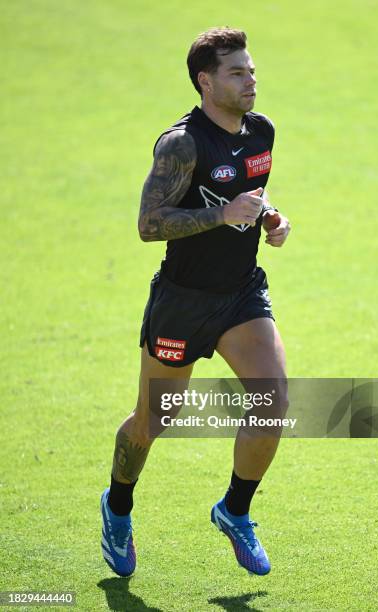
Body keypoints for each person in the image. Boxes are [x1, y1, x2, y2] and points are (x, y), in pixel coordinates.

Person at [101, 26, 291, 578]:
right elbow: (149, 223)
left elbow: (247, 198)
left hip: (241, 294)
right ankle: (117, 507)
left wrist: (270, 218)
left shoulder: (261, 132)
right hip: (183, 302)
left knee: (273, 403)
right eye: (237, 72)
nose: (250, 78)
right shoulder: (180, 143)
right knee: (153, 420)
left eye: (251, 69)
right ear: (206, 82)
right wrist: (221, 215)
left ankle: (235, 511)